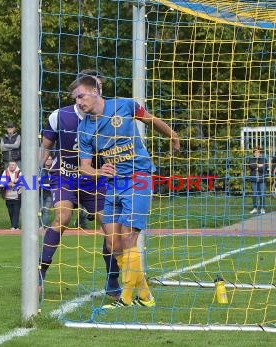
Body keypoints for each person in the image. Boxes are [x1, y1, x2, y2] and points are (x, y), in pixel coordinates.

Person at [71, 74, 180, 308]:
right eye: (76, 99)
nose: (78, 102)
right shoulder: (84, 129)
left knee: (129, 238)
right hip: (113, 184)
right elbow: (85, 167)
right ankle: (147, 297)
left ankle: (126, 298)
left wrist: (172, 135)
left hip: (138, 178)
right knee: (113, 244)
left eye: (81, 96)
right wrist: (99, 172)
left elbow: (150, 120)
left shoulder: (125, 105)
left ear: (94, 91)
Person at [39, 70, 121, 301]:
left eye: (101, 88)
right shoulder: (60, 116)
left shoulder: (109, 117)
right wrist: (34, 176)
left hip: (95, 180)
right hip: (64, 175)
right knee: (62, 218)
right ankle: (40, 274)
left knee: (112, 230)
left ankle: (112, 280)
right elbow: (45, 147)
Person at [1, 160, 22, 230]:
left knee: (16, 211)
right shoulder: (5, 172)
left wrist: (15, 185)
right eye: (10, 165)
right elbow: (2, 181)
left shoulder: (20, 172)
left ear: (16, 166)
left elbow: (23, 182)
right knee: (10, 212)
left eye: (13, 165)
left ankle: (13, 226)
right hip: (8, 196)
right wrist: (8, 184)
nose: (11, 166)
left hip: (17, 196)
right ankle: (15, 226)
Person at [246, 146, 267, 215]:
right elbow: (251, 166)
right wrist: (258, 165)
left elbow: (264, 168)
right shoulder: (251, 159)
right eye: (255, 152)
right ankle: (255, 208)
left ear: (260, 153)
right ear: (253, 153)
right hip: (254, 179)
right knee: (254, 194)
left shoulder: (264, 159)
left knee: (262, 194)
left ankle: (262, 208)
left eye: (258, 152)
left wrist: (257, 167)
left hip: (262, 179)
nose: (257, 153)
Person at [39, 155, 53, 228]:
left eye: (50, 159)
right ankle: (38, 226)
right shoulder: (40, 170)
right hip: (40, 193)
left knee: (46, 211)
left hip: (49, 194)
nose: (48, 161)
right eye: (47, 159)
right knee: (39, 211)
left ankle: (43, 226)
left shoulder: (54, 170)